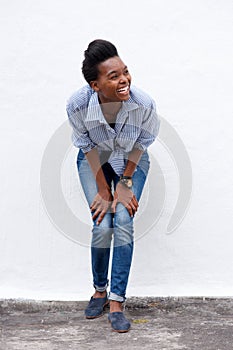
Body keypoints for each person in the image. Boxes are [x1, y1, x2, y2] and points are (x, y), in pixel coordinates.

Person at [66, 39, 160, 333]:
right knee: (102, 222)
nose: (124, 80)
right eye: (114, 76)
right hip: (94, 159)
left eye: (125, 72)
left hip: (131, 160)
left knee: (122, 220)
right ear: (95, 85)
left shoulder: (143, 104)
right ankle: (99, 290)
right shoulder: (78, 104)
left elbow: (142, 144)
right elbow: (85, 146)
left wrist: (125, 183)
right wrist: (104, 188)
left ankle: (117, 301)